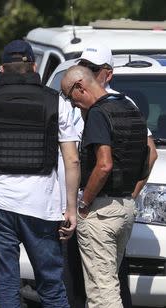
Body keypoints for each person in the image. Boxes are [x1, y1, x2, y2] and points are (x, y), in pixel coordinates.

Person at [0, 40, 80, 308]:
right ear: (33, 66)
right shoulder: (57, 102)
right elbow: (72, 159)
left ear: (2, 69)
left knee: (5, 287)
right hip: (42, 206)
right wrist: (71, 208)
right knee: (51, 286)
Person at [60, 42, 158, 308]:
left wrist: (83, 204)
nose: (72, 103)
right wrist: (131, 193)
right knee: (108, 283)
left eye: (71, 97)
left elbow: (103, 165)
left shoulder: (97, 113)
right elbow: (150, 153)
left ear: (81, 86)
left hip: (99, 210)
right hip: (123, 207)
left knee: (102, 292)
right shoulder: (127, 105)